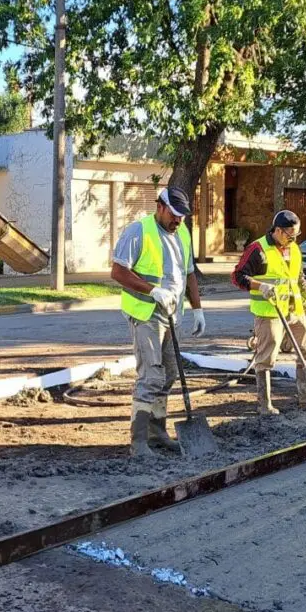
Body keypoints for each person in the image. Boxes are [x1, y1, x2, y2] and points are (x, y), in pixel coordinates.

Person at [110, 186, 205, 457]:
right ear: (160, 207)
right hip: (145, 314)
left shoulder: (183, 233)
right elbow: (118, 272)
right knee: (151, 375)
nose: (177, 220)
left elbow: (189, 274)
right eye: (174, 214)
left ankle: (157, 430)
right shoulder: (138, 231)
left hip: (172, 315)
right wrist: (152, 291)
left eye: (182, 216)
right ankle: (138, 442)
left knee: (170, 373)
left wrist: (198, 309)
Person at [232, 209, 306, 415]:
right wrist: (260, 286)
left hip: (293, 311)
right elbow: (237, 276)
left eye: (296, 235)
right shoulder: (258, 249)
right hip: (269, 312)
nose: (293, 239)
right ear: (278, 231)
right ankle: (265, 404)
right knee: (267, 358)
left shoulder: (294, 249)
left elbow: (298, 277)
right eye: (290, 235)